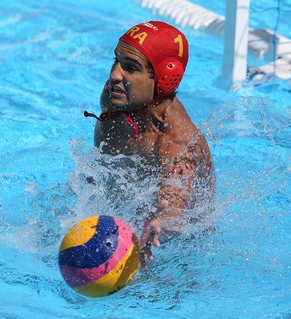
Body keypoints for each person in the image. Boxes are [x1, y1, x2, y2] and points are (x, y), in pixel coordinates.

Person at [84, 21, 215, 267]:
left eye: (130, 67)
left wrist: (160, 224)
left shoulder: (178, 140)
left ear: (165, 78)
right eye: (116, 61)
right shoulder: (118, 96)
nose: (114, 75)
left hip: (183, 252)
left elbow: (175, 202)